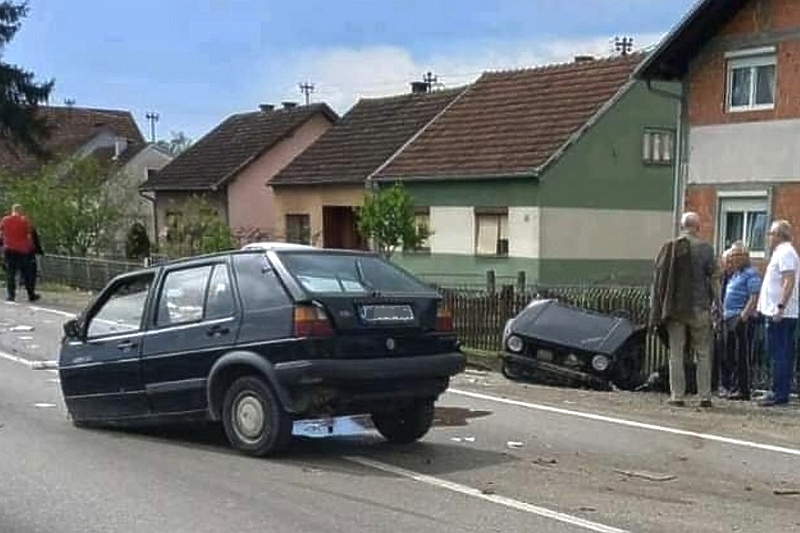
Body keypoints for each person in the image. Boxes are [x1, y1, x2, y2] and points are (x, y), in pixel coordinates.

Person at [650, 212, 721, 408]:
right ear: (698, 227)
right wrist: (718, 304)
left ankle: (677, 396)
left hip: (675, 308)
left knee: (676, 352)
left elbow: (657, 281)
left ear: (682, 226)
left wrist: (656, 307)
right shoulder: (706, 248)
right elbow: (715, 278)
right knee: (703, 352)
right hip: (700, 307)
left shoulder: (669, 248)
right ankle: (704, 396)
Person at [756, 219, 799, 407]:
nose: (768, 237)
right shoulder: (782, 253)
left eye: (771, 233)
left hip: (781, 313)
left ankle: (779, 393)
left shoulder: (786, 253)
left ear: (780, 235)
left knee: (779, 354)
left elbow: (788, 281)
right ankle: (777, 391)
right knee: (780, 353)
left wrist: (780, 307)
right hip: (779, 311)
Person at [720, 242, 761, 401]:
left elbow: (754, 297)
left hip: (740, 317)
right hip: (728, 317)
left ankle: (743, 389)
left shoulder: (751, 273)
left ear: (745, 257)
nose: (734, 259)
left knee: (741, 355)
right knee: (730, 354)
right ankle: (733, 386)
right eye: (732, 256)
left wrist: (743, 317)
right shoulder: (735, 274)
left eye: (737, 256)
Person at [0, 204, 39, 302]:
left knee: (10, 273)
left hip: (9, 249)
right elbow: (29, 236)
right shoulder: (24, 221)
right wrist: (32, 248)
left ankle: (11, 295)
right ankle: (31, 294)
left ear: (12, 210)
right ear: (20, 211)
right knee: (26, 273)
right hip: (22, 250)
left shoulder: (5, 220)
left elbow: (1, 234)